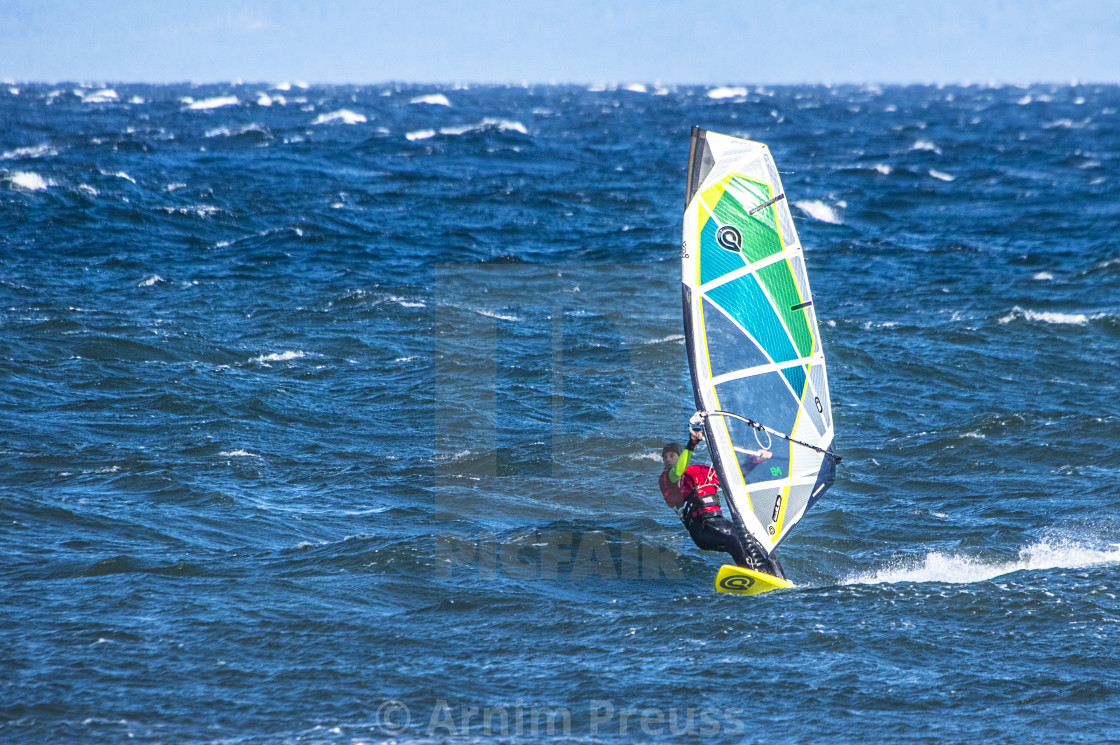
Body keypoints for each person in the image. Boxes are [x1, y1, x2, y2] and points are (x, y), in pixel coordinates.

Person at [658, 421, 783, 578]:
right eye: (665, 457)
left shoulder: (700, 471)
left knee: (760, 543)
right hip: (701, 529)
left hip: (720, 522)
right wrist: (692, 444)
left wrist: (755, 460)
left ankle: (781, 578)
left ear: (679, 456)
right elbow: (677, 472)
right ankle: (753, 576)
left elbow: (733, 478)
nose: (668, 459)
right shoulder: (666, 479)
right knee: (733, 541)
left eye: (672, 456)